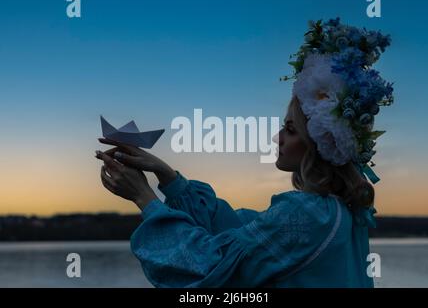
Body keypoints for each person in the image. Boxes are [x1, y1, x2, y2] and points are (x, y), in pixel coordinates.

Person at [95, 18, 393, 287]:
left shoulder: (310, 214)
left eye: (290, 130)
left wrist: (144, 198)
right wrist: (167, 175)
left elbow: (209, 266)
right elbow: (237, 231)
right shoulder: (335, 210)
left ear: (318, 143)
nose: (277, 138)